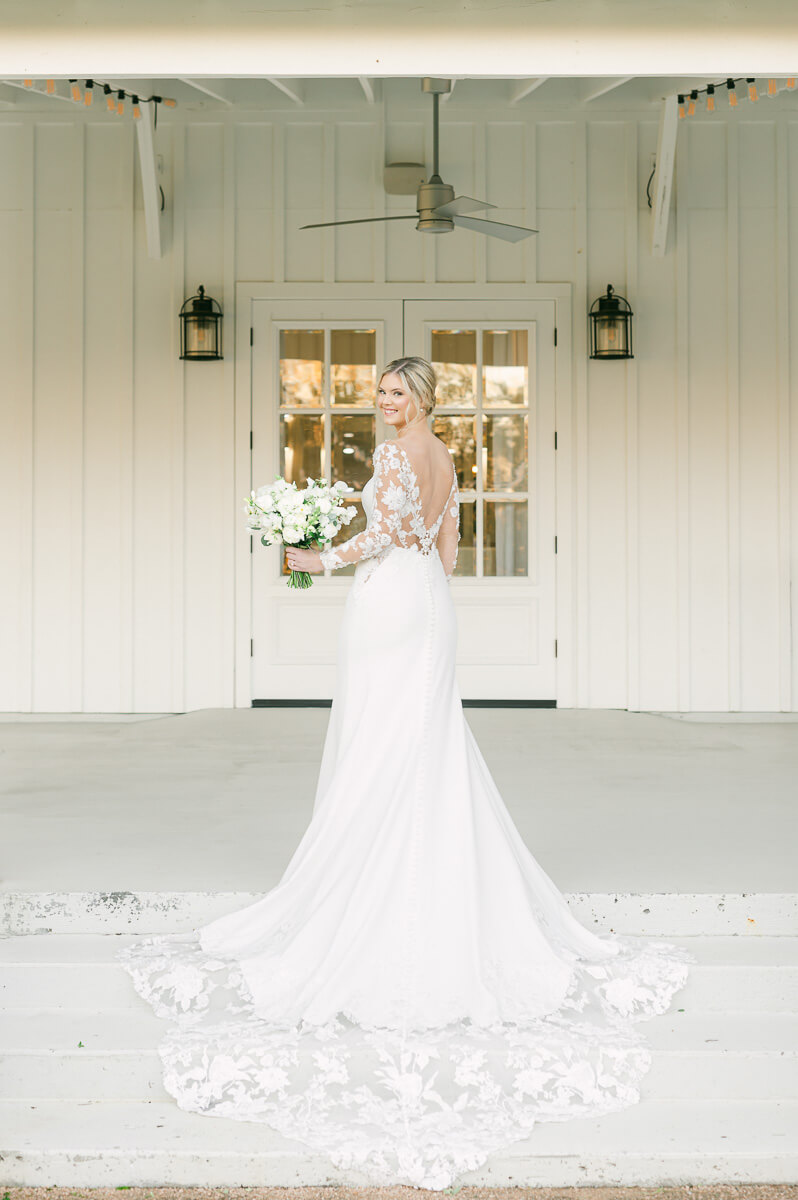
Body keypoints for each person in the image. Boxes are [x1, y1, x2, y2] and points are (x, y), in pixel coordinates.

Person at [118, 356, 695, 1191]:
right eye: (381, 391)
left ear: (423, 399)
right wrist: (419, 584)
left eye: (397, 391)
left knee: (379, 739)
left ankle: (374, 878)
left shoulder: (395, 456)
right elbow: (448, 543)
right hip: (428, 601)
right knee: (420, 739)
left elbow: (386, 534)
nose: (385, 401)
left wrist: (318, 560)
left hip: (390, 596)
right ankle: (424, 866)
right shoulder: (448, 457)